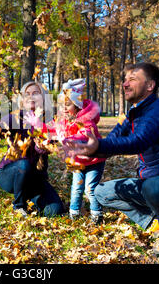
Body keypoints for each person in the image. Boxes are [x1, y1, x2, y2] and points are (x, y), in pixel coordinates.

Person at [66, 62, 159, 250]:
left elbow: (139, 141)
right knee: (101, 192)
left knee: (153, 186)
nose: (125, 84)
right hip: (153, 185)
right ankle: (157, 224)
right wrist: (84, 147)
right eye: (124, 79)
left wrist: (100, 145)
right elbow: (112, 141)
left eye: (132, 79)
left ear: (150, 86)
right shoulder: (133, 114)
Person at [0, 81, 65, 218]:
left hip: (35, 178)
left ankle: (30, 197)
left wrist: (41, 146)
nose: (31, 97)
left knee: (55, 211)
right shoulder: (15, 117)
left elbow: (52, 144)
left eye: (35, 93)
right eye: (27, 94)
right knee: (24, 164)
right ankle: (19, 206)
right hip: (11, 173)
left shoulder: (49, 121)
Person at [54, 79, 107, 224]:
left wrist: (68, 139)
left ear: (77, 105)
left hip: (94, 160)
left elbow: (84, 135)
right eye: (61, 105)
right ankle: (74, 213)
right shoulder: (63, 120)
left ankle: (97, 214)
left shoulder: (86, 119)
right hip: (77, 161)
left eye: (68, 105)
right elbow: (53, 129)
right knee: (77, 187)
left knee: (90, 188)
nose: (64, 108)